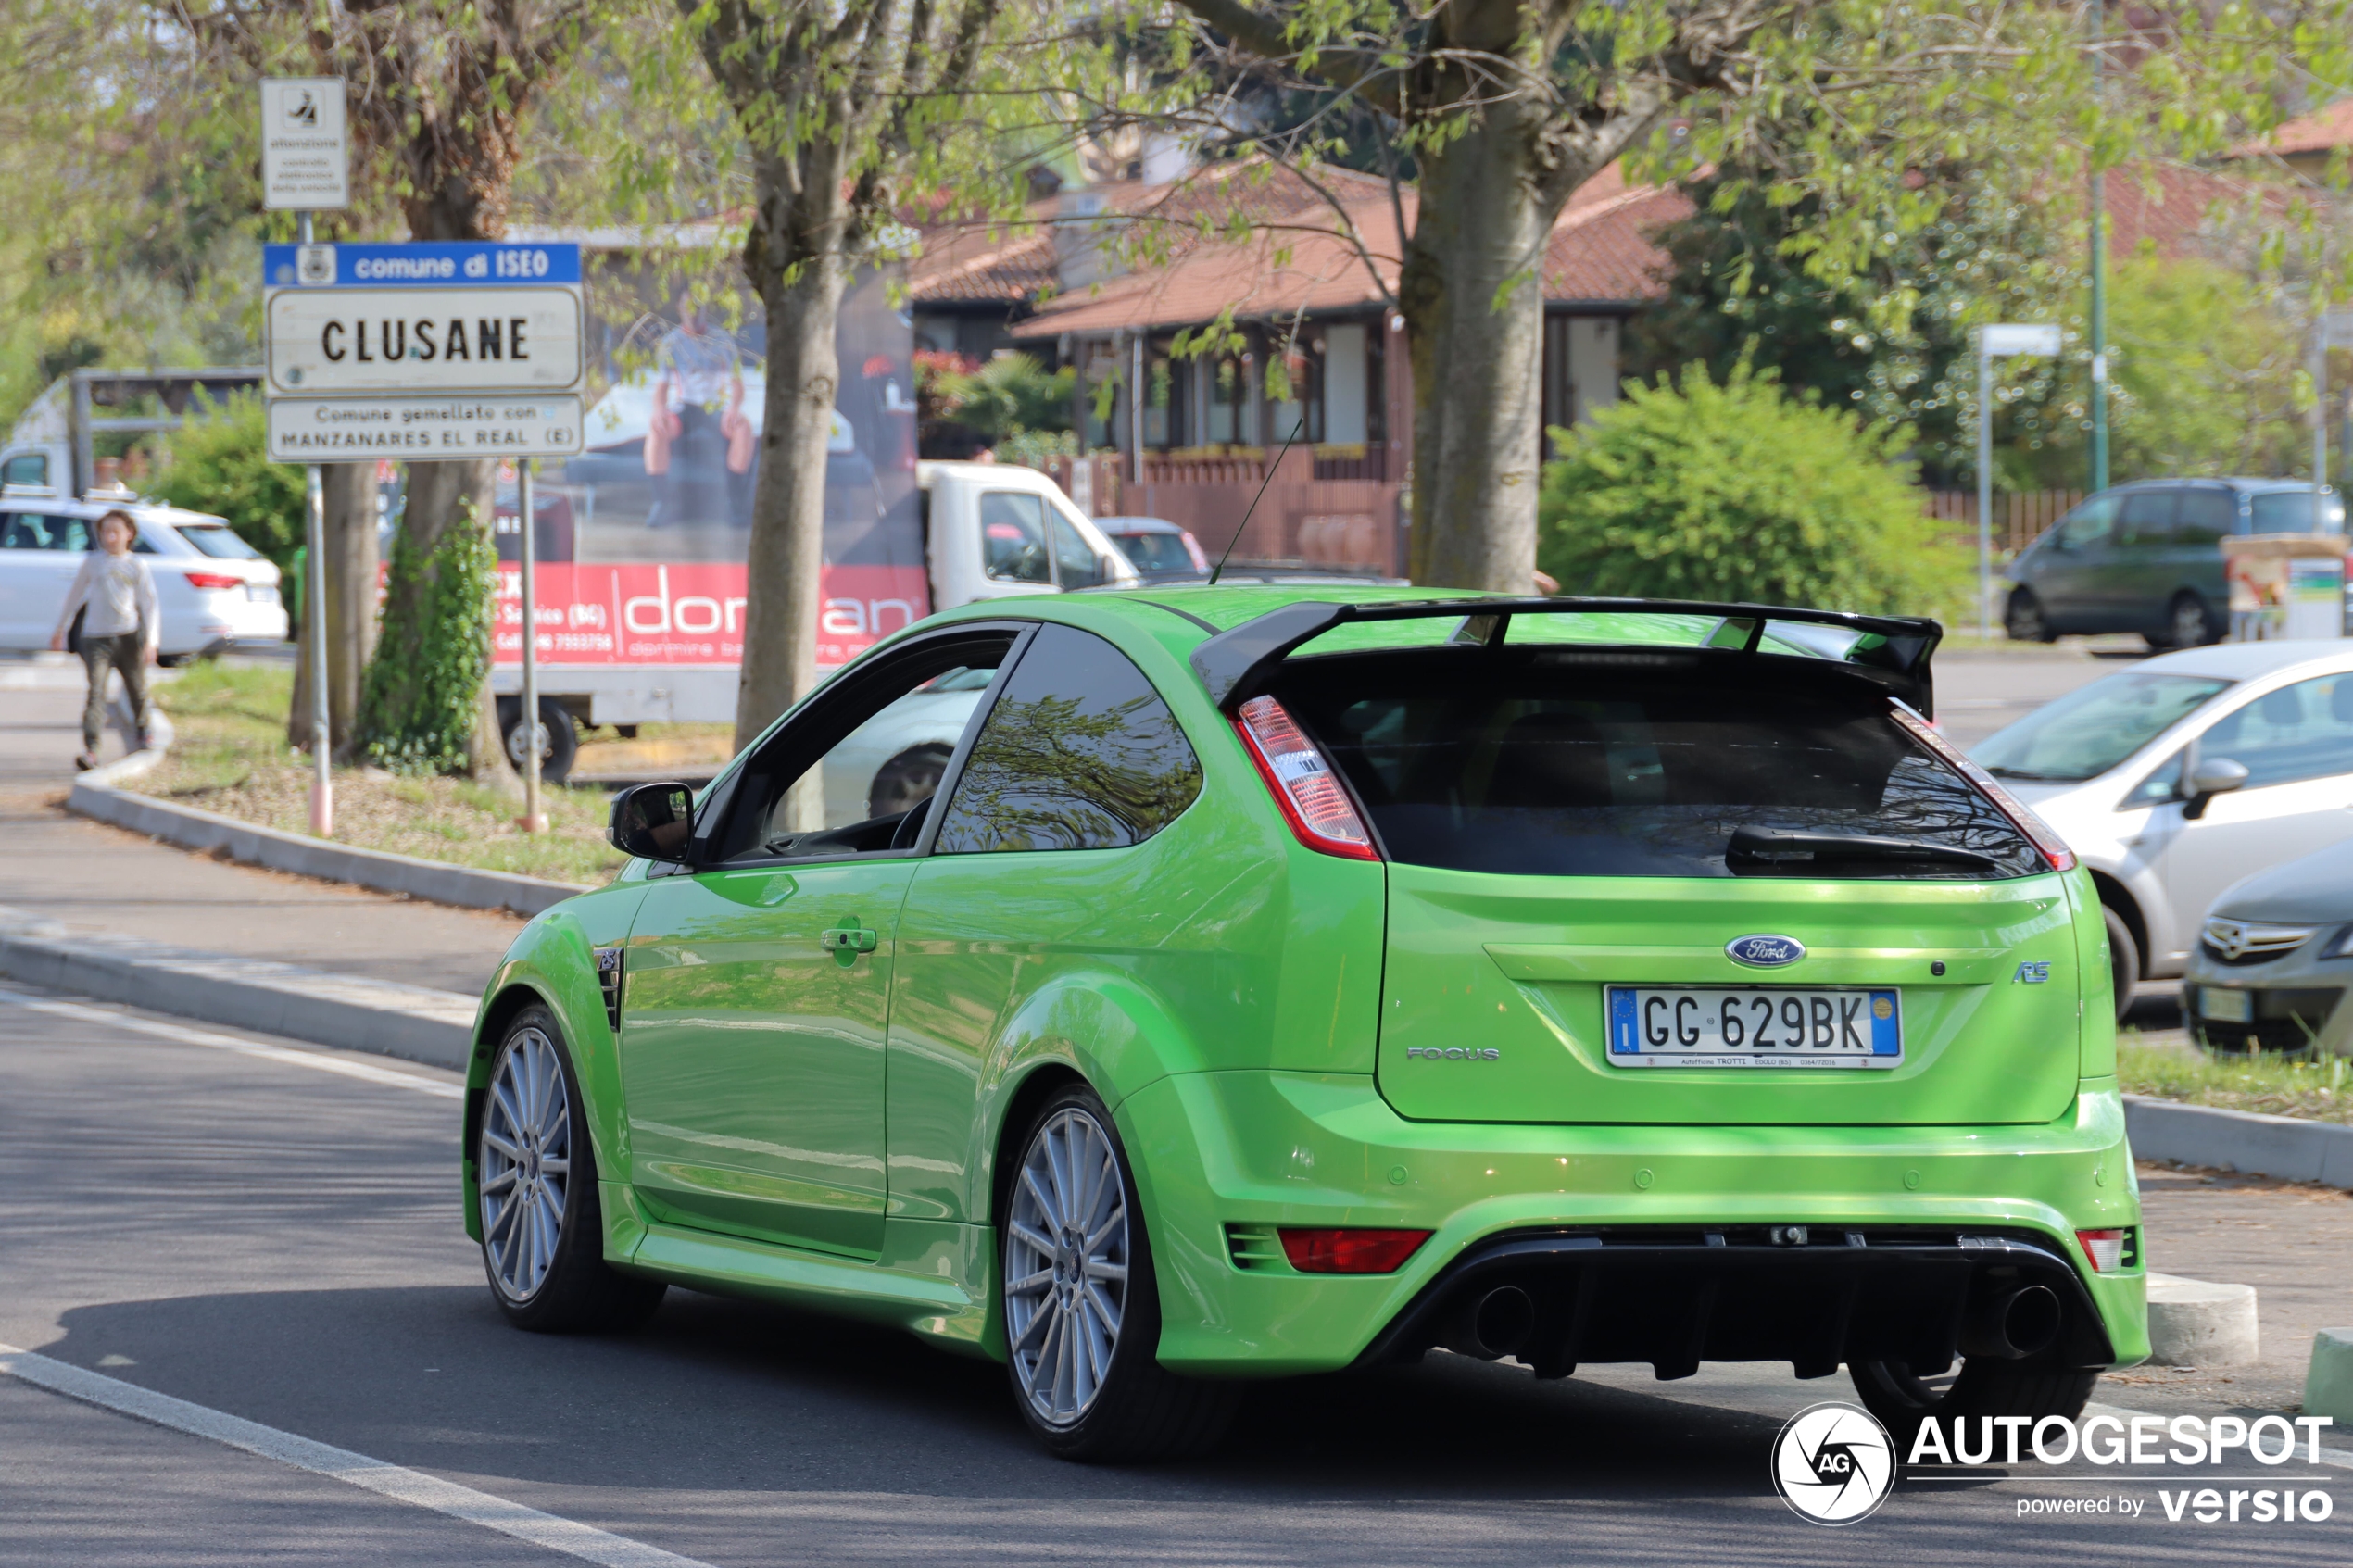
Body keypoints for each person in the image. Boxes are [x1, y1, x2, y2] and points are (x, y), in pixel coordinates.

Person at [47, 508, 158, 771]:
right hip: (96, 637)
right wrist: (60, 627)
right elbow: (74, 595)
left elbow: (150, 604)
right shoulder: (93, 562)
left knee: (136, 687)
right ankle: (91, 749)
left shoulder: (136, 565)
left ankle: (144, 730)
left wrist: (152, 641)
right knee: (96, 692)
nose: (109, 537)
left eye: (115, 532)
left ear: (128, 534)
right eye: (104, 532)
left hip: (128, 635)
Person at [642, 299, 754, 528]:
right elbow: (661, 386)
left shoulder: (721, 340)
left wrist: (734, 407)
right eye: (688, 309)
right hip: (686, 406)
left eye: (697, 309)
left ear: (705, 310)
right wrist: (659, 410)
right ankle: (661, 501)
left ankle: (734, 501)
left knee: (743, 429)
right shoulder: (671, 342)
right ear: (680, 310)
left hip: (715, 407)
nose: (693, 314)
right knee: (657, 429)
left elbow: (737, 382)